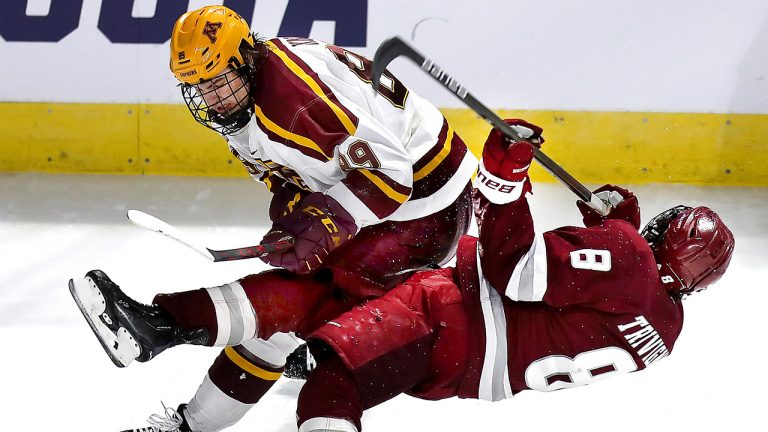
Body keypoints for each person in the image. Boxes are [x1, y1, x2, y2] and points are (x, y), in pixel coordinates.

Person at [74, 117, 733, 432]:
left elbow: (521, 274)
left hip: (459, 319)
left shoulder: (630, 258)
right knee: (303, 315)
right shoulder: (666, 323)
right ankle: (179, 386)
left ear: (662, 244)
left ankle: (160, 331)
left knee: (328, 366)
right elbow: (599, 292)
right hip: (472, 349)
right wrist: (616, 228)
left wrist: (506, 179)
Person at [75, 4, 477, 429]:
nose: (209, 99)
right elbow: (291, 174)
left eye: (216, 82)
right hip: (384, 199)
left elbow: (394, 175)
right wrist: (294, 216)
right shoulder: (246, 101)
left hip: (429, 205)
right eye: (196, 87)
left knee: (298, 294)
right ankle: (190, 423)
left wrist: (326, 221)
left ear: (244, 59)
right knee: (277, 329)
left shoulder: (295, 106)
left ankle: (161, 325)